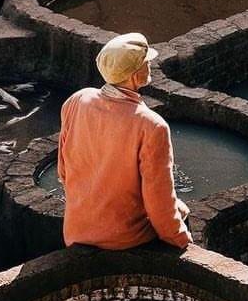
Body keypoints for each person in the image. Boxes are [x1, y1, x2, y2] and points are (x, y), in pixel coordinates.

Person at [57, 32, 192, 251]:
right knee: (180, 212)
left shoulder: (77, 100)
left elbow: (63, 171)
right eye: (146, 62)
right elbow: (159, 203)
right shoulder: (152, 125)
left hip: (76, 231)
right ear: (133, 75)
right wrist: (182, 240)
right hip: (124, 237)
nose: (150, 64)